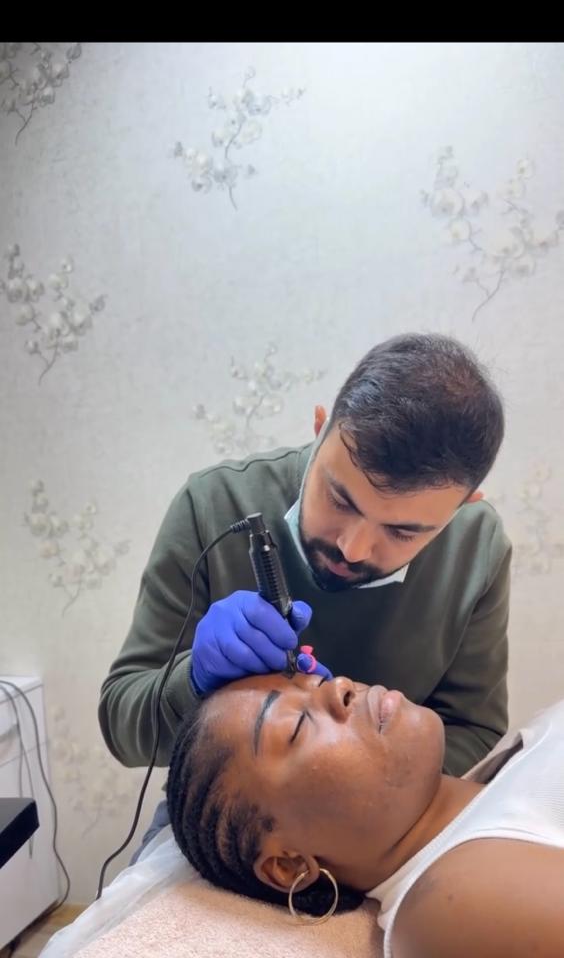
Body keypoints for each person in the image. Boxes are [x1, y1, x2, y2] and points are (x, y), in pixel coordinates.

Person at [98, 333, 510, 850]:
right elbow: (122, 729)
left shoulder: (478, 547)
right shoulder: (213, 505)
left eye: (402, 532)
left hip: (393, 826)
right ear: (320, 430)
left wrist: (360, 795)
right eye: (340, 499)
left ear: (464, 505)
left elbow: (475, 731)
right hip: (240, 822)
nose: (353, 548)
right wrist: (194, 680)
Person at [166, 671, 564, 958]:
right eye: (298, 725)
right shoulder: (446, 906)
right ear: (290, 866)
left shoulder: (502, 774)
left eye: (315, 682)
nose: (339, 685)